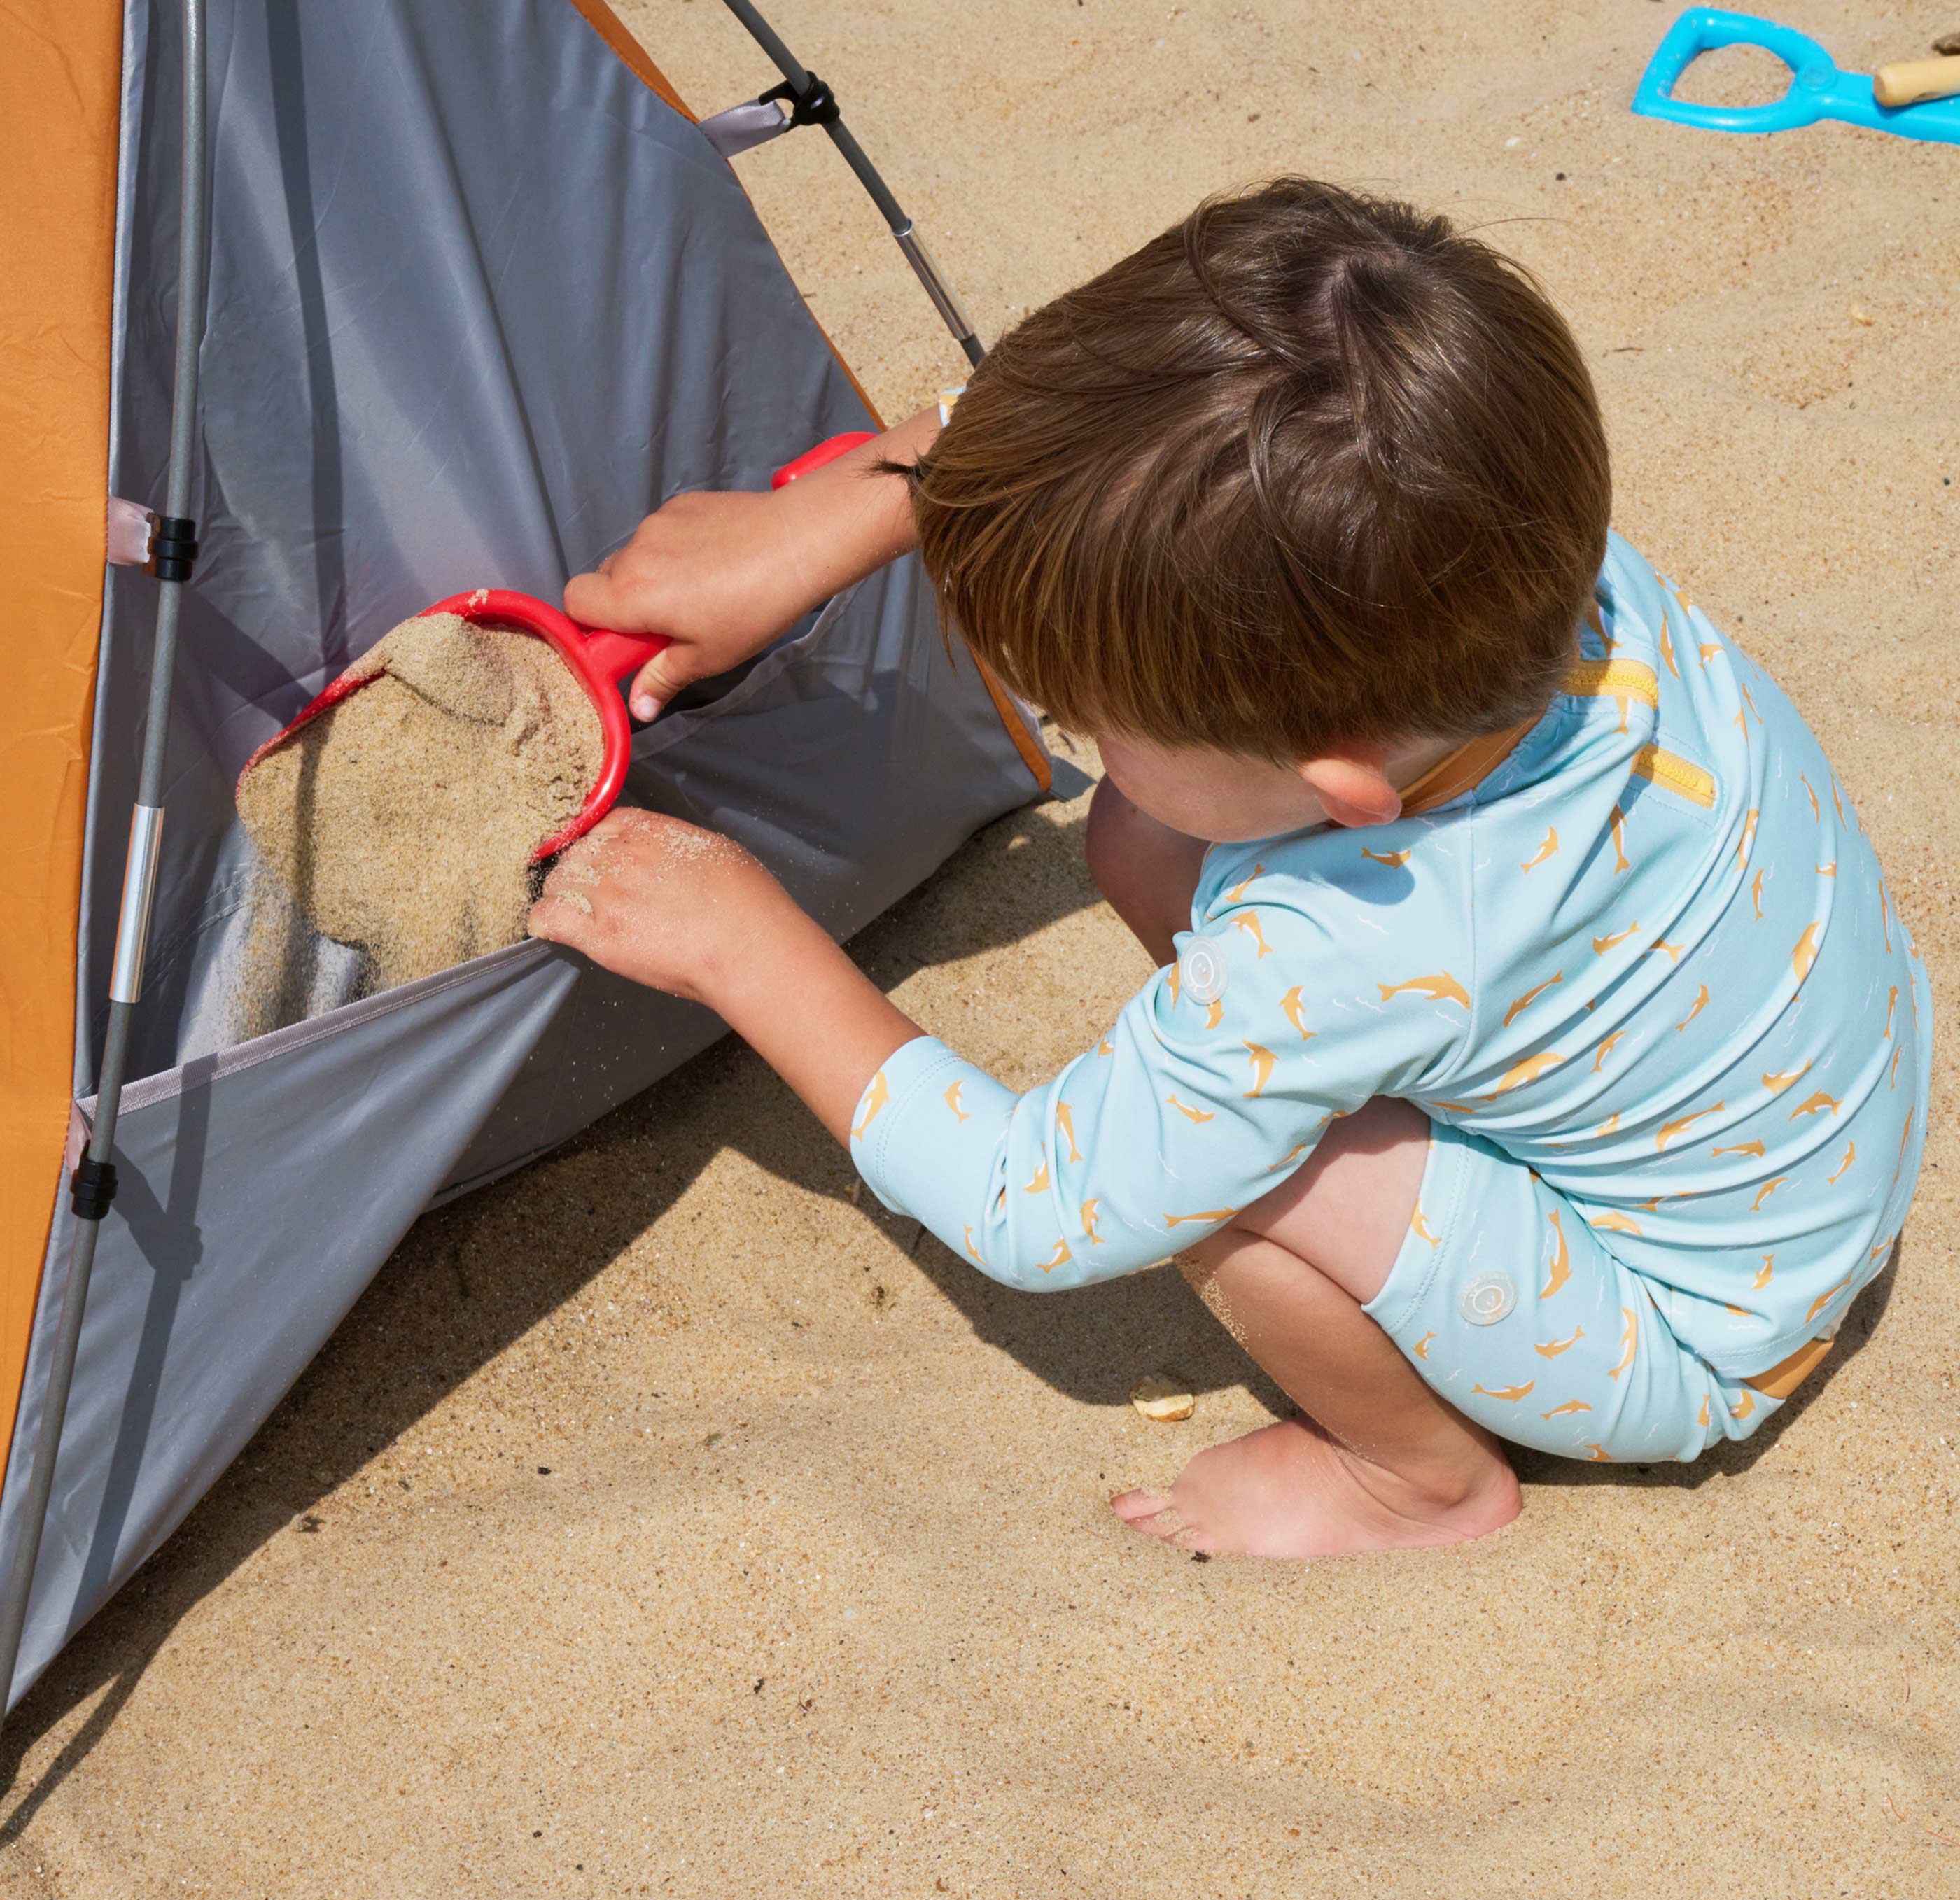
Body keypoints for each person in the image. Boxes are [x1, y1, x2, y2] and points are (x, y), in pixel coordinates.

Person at [531, 178, 1931, 1558]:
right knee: (1139, 834)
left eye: (1090, 720)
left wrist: (739, 941)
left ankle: (1414, 1480)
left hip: (1684, 1335)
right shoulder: (1498, 549)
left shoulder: (1334, 952)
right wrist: (843, 512)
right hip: (1801, 1135)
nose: (1077, 732)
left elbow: (1039, 1203)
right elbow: (1152, 439)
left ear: (1334, 780)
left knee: (1230, 1176)